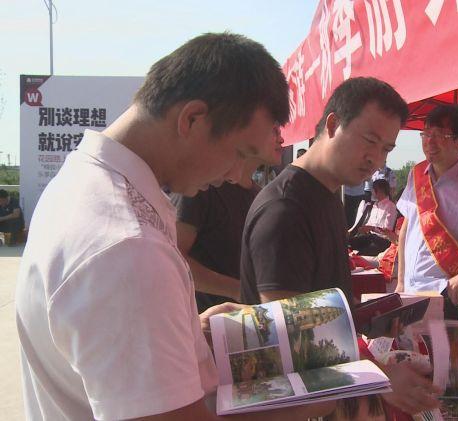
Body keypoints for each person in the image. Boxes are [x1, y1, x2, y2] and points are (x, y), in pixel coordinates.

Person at [15, 33, 333, 421]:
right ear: (192, 119)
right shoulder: (128, 250)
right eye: (240, 154)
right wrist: (323, 397)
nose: (236, 175)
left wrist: (187, 331)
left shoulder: (84, 184)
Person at [241, 77, 441, 415]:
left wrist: (365, 319)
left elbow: (321, 301)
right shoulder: (285, 209)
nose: (376, 158)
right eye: (370, 141)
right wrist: (380, 377)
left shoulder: (327, 194)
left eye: (387, 149)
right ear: (333, 124)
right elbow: (291, 333)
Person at [172, 124, 282, 312]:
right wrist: (237, 290)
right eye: (274, 130)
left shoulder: (261, 196)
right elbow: (173, 258)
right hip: (203, 323)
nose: (281, 139)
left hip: (249, 322)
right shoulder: (202, 188)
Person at [396, 105, 458, 320]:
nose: (430, 142)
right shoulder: (416, 174)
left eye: (439, 135)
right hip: (410, 291)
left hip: (447, 292)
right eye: (426, 134)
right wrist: (400, 282)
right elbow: (407, 228)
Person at [349, 179, 398, 256]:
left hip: (383, 241)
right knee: (348, 244)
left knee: (359, 254)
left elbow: (388, 230)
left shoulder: (390, 206)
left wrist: (372, 228)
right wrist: (364, 229)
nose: (371, 192)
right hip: (370, 237)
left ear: (379, 191)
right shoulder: (374, 205)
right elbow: (370, 223)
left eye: (373, 189)